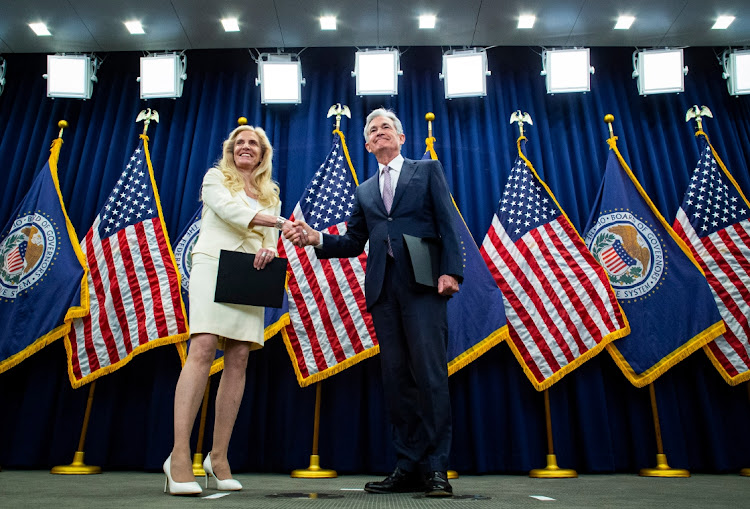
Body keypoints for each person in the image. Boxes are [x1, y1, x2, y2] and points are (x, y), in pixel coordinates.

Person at [285, 108, 463, 497]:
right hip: (383, 291)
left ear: (402, 138)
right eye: (372, 130)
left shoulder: (427, 170)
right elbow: (352, 241)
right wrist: (316, 238)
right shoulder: (364, 190)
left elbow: (448, 222)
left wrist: (452, 272)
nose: (380, 132)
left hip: (424, 286)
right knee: (396, 380)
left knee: (430, 377)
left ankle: (437, 470)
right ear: (366, 145)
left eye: (386, 127)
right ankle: (407, 466)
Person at [163, 125, 293, 495]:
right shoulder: (214, 178)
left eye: (253, 143)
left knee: (239, 358)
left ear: (263, 153)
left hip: (251, 274)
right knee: (202, 347)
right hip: (214, 266)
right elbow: (229, 211)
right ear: (231, 151)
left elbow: (269, 241)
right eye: (240, 143)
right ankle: (179, 457)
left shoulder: (272, 195)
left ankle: (218, 458)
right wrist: (281, 225)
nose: (246, 147)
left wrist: (271, 247)